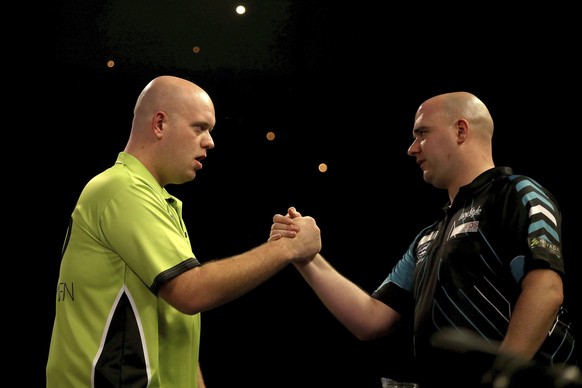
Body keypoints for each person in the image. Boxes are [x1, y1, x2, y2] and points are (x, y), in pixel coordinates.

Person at [270, 92, 579, 387]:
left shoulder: (516, 193)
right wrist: (304, 255)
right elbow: (370, 319)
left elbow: (547, 289)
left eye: (422, 133)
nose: (412, 148)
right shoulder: (428, 237)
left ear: (460, 130)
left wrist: (501, 378)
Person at [46, 75, 321, 388]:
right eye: (199, 127)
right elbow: (192, 292)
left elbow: (176, 323)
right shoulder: (122, 189)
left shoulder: (155, 200)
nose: (210, 141)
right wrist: (287, 248)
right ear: (160, 123)